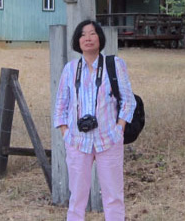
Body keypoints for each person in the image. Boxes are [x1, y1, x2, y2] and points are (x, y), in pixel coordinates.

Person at [53, 19, 137, 221]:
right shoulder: (70, 69)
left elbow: (128, 101)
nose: (88, 38)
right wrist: (65, 132)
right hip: (77, 142)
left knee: (113, 196)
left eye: (92, 33)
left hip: (108, 139)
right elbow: (61, 105)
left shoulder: (114, 65)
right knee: (77, 197)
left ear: (100, 38)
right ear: (77, 41)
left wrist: (119, 129)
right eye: (83, 35)